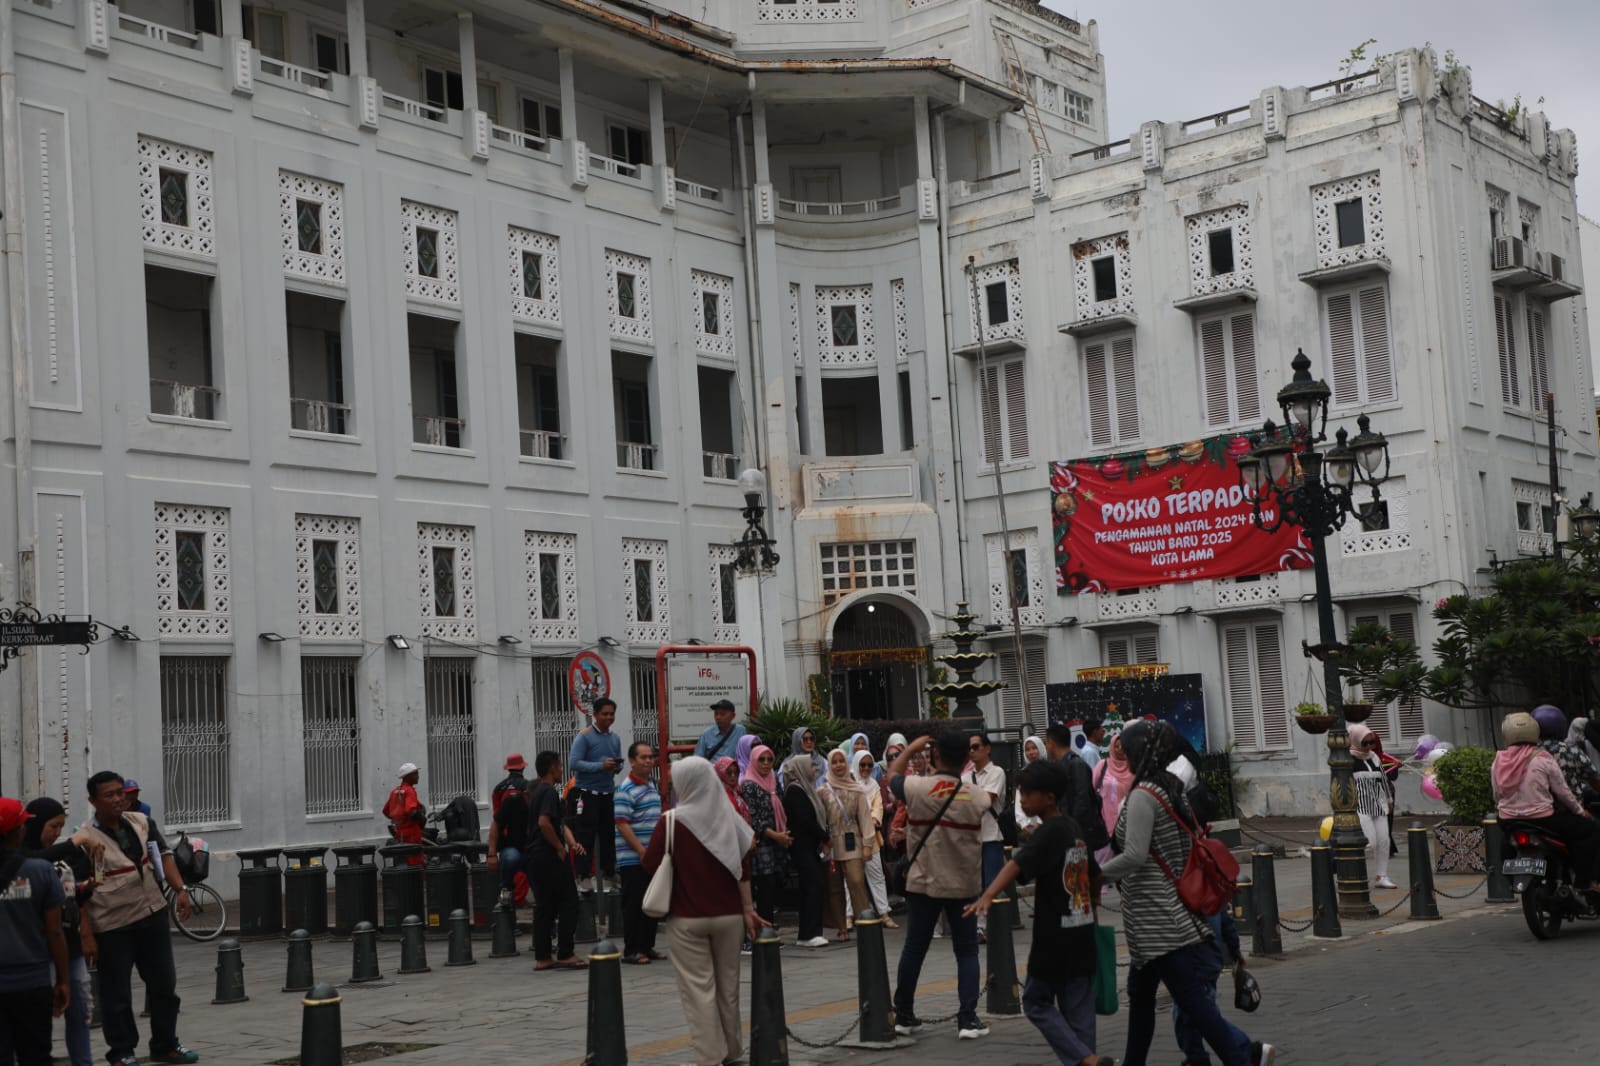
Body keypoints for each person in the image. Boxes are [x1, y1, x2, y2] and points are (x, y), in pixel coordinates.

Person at [1099, 723, 1273, 1066]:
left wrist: (1095, 876)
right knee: (1143, 998)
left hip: (1157, 920)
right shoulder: (1168, 789)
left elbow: (1134, 854)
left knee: (1191, 1001)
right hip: (1160, 917)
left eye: (1128, 749)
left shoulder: (1142, 797)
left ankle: (1239, 1058)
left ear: (1140, 753)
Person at [964, 760, 1110, 1066]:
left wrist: (988, 895)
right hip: (1082, 931)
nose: (1023, 799)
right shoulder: (1072, 827)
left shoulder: (1049, 832)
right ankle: (1088, 1057)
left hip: (1054, 939)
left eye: (1028, 794)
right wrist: (1090, 905)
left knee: (1035, 1001)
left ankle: (1087, 1059)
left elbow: (1016, 865)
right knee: (1078, 1010)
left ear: (1049, 797)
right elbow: (1095, 874)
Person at [642, 757, 762, 1066]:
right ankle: (734, 1051)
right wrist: (748, 908)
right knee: (728, 987)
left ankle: (709, 1056)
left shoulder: (671, 821)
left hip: (686, 918)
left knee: (699, 990)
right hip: (730, 917)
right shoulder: (729, 817)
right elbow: (744, 865)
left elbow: (649, 863)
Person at [75, 771, 201, 1065]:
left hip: (152, 913)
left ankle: (165, 1044)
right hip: (112, 923)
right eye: (110, 794)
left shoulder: (141, 822)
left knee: (163, 984)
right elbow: (78, 891)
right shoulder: (84, 838)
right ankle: (121, 1053)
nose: (119, 799)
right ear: (93, 800)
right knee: (116, 994)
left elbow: (164, 854)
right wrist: (87, 934)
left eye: (121, 792)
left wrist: (180, 889)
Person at [885, 732, 989, 1041]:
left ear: (935, 756)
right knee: (967, 951)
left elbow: (891, 776)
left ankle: (903, 1014)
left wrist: (912, 748)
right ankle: (968, 1019)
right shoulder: (977, 795)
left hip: (923, 883)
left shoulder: (917, 788)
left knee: (914, 949)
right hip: (964, 884)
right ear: (967, 759)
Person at [23, 798, 97, 1066]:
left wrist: (84, 889)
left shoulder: (60, 856)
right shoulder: (18, 857)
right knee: (38, 1018)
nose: (57, 833)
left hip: (70, 946)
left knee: (80, 1012)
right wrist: (72, 843)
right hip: (37, 951)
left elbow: (69, 896)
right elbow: (32, 861)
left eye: (61, 827)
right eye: (53, 826)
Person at [1493, 711, 1600, 889]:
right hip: (1543, 819)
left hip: (1508, 819)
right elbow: (1563, 792)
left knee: (1506, 839)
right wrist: (1581, 812)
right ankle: (1584, 882)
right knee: (1591, 830)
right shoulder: (1543, 758)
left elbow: (1497, 793)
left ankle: (1509, 878)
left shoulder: (1498, 760)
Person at [0, 796, 70, 1066]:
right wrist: (63, 980)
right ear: (19, 831)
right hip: (32, 983)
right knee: (37, 1056)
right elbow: (55, 933)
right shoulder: (41, 872)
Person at [1170, 905, 1251, 1066]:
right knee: (1195, 1013)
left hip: (1195, 958)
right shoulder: (1210, 883)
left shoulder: (1183, 885)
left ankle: (1245, 1049)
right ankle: (1197, 1056)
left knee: (1196, 1014)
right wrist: (1235, 950)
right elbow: (1226, 920)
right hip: (1208, 958)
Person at [528, 751, 587, 971]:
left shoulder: (535, 792)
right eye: (560, 767)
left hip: (535, 856)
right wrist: (558, 847)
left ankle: (543, 956)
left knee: (545, 906)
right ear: (552, 768)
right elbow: (545, 823)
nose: (562, 770)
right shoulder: (549, 793)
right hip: (547, 854)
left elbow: (557, 823)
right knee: (569, 901)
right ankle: (565, 952)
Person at [614, 742, 664, 965]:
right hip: (633, 857)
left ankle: (647, 945)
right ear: (632, 761)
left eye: (650, 757)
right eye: (642, 758)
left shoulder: (651, 784)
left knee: (652, 901)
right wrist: (641, 850)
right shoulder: (625, 789)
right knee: (634, 904)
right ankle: (632, 949)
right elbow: (622, 824)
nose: (648, 761)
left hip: (652, 856)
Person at [569, 698, 623, 892]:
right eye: (605, 713)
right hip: (587, 794)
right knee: (585, 836)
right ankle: (583, 875)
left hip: (607, 793)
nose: (609, 717)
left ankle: (609, 872)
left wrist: (617, 766)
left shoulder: (615, 738)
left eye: (612, 714)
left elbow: (619, 762)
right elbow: (574, 764)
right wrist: (600, 766)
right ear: (595, 714)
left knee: (609, 835)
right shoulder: (584, 737)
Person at [822, 748, 875, 941]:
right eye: (834, 762)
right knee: (834, 888)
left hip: (853, 843)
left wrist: (868, 845)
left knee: (856, 881)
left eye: (841, 761)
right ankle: (841, 927)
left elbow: (865, 818)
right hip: (832, 844)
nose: (838, 765)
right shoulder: (823, 791)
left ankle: (865, 921)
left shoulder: (857, 790)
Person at [740, 745, 792, 937]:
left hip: (777, 843)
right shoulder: (748, 785)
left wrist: (782, 835)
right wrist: (774, 835)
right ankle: (761, 932)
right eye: (761, 759)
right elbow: (752, 817)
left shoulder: (773, 782)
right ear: (753, 760)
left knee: (772, 888)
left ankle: (768, 930)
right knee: (763, 889)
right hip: (760, 845)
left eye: (769, 760)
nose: (766, 764)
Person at [782, 753, 831, 948]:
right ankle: (809, 933)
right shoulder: (795, 791)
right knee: (814, 886)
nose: (815, 769)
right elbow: (806, 820)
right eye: (811, 766)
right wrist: (825, 837)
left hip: (809, 847)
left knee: (812, 887)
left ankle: (809, 933)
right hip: (802, 847)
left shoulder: (804, 789)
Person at [1046, 724, 1111, 859]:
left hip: (1080, 836)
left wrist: (1072, 830)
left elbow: (1082, 801)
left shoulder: (1076, 764)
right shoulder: (1061, 765)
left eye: (1046, 743)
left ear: (1051, 743)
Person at [967, 732, 1008, 936]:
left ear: (987, 748)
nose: (972, 751)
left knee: (991, 883)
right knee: (973, 884)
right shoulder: (965, 776)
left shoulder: (997, 772)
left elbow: (987, 800)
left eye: (976, 747)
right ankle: (979, 925)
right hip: (970, 839)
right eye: (970, 748)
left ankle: (992, 924)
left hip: (991, 835)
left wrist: (970, 798)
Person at [1347, 724, 1396, 889]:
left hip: (1378, 804)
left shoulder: (1374, 757)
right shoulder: (1347, 759)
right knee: (1370, 842)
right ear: (1355, 741)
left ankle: (1381, 876)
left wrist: (1389, 801)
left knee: (1384, 841)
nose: (1369, 746)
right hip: (1360, 806)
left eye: (1371, 742)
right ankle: (1347, 870)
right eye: (1365, 743)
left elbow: (1383, 779)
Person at [854, 750, 897, 927]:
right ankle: (851, 916)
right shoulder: (850, 784)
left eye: (870, 765)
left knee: (877, 876)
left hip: (871, 837)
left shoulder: (874, 785)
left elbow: (878, 808)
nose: (866, 768)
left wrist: (871, 822)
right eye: (862, 765)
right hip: (853, 837)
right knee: (852, 878)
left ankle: (884, 913)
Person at [1532, 705, 1600, 803]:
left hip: (1537, 811)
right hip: (1572, 810)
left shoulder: (1525, 753)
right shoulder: (1572, 751)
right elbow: (1595, 781)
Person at [486, 771, 530, 907]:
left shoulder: (499, 788)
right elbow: (496, 823)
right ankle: (513, 895)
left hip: (508, 835)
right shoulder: (523, 789)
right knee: (514, 860)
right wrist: (492, 853)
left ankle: (510, 894)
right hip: (512, 839)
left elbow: (495, 814)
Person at [1093, 733, 1136, 867]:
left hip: (1126, 822)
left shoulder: (1133, 768)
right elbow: (1092, 788)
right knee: (1102, 867)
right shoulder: (1102, 765)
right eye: (1116, 746)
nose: (1120, 749)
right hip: (1103, 821)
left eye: (1123, 746)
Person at [383, 763, 426, 864]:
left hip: (399, 831)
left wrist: (399, 820)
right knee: (415, 859)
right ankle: (417, 879)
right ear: (408, 776)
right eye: (415, 774)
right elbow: (412, 812)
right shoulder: (409, 791)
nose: (418, 776)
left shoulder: (395, 791)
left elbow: (385, 811)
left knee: (402, 859)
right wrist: (422, 819)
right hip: (411, 831)